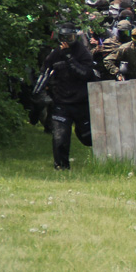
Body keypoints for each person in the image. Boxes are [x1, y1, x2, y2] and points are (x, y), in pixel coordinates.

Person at [41, 23, 96, 169]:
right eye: (63, 38)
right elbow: (44, 73)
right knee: (60, 137)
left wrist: (69, 58)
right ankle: (61, 167)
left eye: (70, 38)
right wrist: (46, 91)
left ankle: (104, 160)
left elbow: (86, 74)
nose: (66, 41)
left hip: (81, 103)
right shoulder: (55, 54)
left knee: (88, 138)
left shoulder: (82, 53)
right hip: (62, 103)